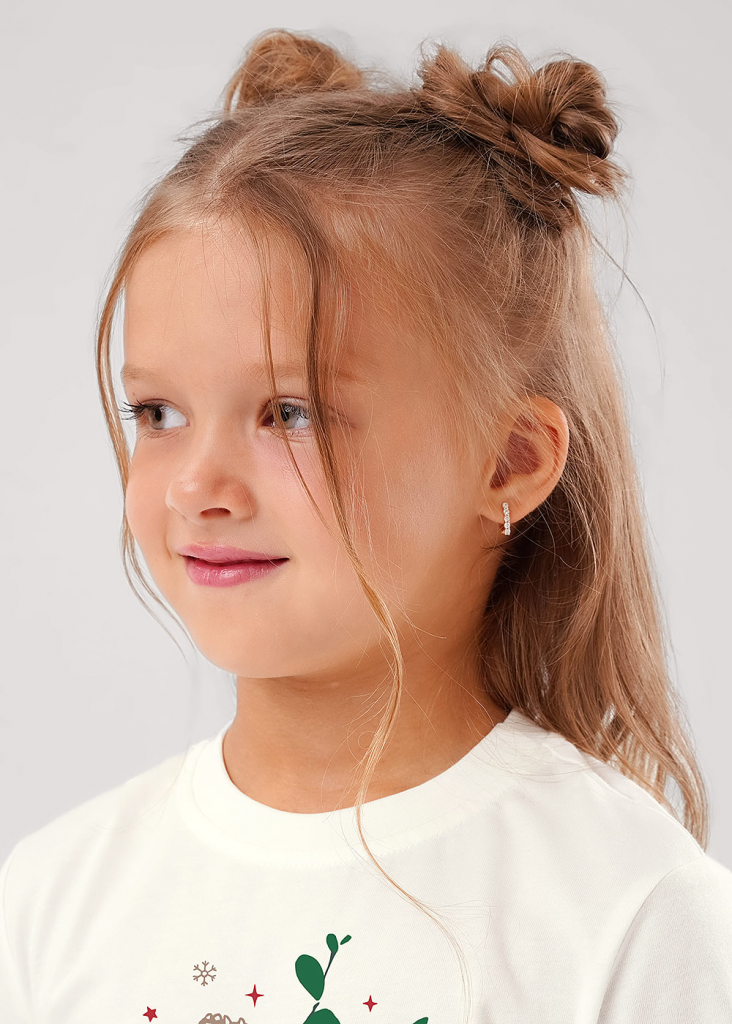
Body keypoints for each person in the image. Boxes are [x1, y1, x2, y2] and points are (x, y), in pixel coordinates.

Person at [1, 27, 731, 1024]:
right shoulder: (49, 908)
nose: (197, 486)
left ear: (510, 460)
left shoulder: (633, 917)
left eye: (287, 413)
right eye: (158, 413)